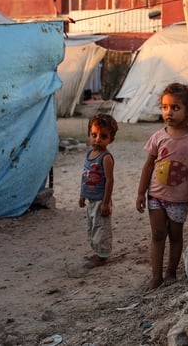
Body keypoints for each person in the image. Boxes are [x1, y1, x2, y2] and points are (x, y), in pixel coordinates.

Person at [136, 83, 188, 290]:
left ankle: (171, 272)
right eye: (164, 107)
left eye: (175, 108)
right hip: (156, 195)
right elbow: (148, 166)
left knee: (175, 236)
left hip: (179, 198)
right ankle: (156, 276)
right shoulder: (158, 137)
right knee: (157, 235)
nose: (168, 112)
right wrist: (140, 193)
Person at [79, 113, 118, 269]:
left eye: (103, 136)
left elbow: (110, 180)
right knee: (92, 226)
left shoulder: (106, 157)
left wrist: (106, 203)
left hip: (101, 200)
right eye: (94, 135)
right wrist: (82, 196)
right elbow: (85, 175)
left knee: (101, 228)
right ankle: (97, 251)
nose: (97, 139)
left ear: (111, 139)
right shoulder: (90, 154)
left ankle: (102, 256)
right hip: (90, 199)